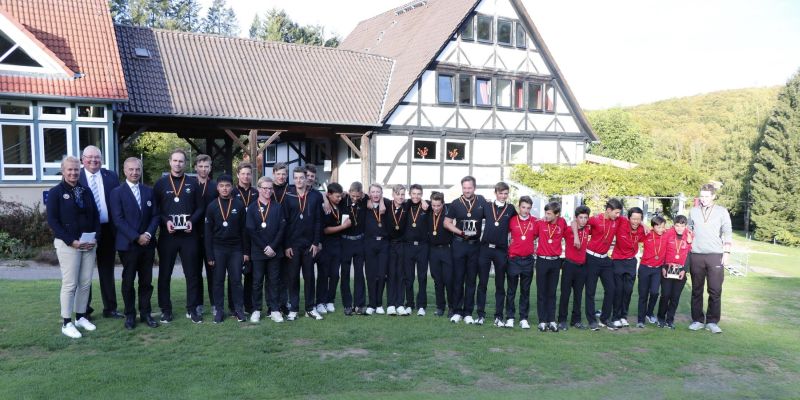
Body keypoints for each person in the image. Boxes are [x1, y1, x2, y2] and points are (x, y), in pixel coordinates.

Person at [47, 156, 100, 338]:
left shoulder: (85, 191)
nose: (73, 172)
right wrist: (72, 241)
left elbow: (95, 216)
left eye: (76, 169)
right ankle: (66, 322)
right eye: (69, 169)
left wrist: (95, 237)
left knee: (85, 283)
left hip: (88, 243)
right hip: (68, 245)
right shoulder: (55, 192)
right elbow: (53, 221)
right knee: (70, 284)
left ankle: (81, 317)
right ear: (63, 171)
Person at [154, 149, 204, 324]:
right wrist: (165, 221)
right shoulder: (160, 184)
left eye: (181, 161)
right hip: (168, 236)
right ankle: (166, 310)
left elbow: (200, 208)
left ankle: (192, 309)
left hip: (189, 236)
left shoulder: (193, 183)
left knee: (192, 274)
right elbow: (156, 210)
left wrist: (192, 221)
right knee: (164, 274)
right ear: (170, 162)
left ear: (185, 163)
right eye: (175, 160)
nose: (178, 164)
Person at [109, 157, 160, 330]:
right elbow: (118, 220)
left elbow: (155, 215)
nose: (134, 172)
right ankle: (130, 315)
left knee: (146, 281)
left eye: (137, 169)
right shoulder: (117, 192)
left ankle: (146, 313)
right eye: (131, 169)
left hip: (147, 244)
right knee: (128, 281)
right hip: (128, 245)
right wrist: (136, 237)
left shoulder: (148, 191)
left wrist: (147, 234)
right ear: (124, 171)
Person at [79, 145, 121, 319]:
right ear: (83, 159)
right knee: (85, 273)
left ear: (101, 159)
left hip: (108, 231)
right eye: (89, 157)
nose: (93, 160)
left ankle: (110, 309)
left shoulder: (111, 176)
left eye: (97, 157)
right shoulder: (76, 176)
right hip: (86, 233)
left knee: (107, 272)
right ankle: (84, 311)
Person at [688, 184, 732, 334]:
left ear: (713, 196)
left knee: (715, 290)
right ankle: (698, 320)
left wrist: (727, 253)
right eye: (702, 196)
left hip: (715, 255)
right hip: (696, 255)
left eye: (707, 196)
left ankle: (712, 321)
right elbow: (689, 230)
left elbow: (728, 231)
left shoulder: (722, 211)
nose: (704, 199)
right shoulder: (693, 211)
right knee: (696, 290)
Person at [205, 175, 249, 323]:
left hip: (236, 249)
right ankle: (219, 310)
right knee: (218, 281)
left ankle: (238, 309)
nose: (225, 188)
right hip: (218, 249)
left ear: (232, 187)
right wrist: (210, 255)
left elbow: (244, 230)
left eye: (227, 185)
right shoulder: (212, 206)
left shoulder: (239, 205)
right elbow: (208, 233)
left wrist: (245, 252)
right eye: (222, 186)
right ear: (217, 188)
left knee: (236, 280)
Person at [444, 176, 486, 324]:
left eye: (470, 188)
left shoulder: (481, 201)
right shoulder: (456, 203)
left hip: (475, 246)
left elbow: (493, 217)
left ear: (474, 188)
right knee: (458, 278)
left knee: (471, 280)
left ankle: (468, 312)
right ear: (462, 188)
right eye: (465, 188)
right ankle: (457, 311)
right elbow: (446, 223)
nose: (467, 190)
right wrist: (460, 232)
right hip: (459, 244)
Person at [283, 166, 324, 321]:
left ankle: (310, 308)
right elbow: (284, 222)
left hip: (309, 245)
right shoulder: (288, 196)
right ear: (293, 179)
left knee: (309, 277)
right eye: (296, 178)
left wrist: (316, 242)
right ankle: (293, 308)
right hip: (293, 245)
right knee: (292, 277)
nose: (299, 181)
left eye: (302, 178)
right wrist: (286, 245)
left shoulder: (315, 197)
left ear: (307, 179)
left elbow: (318, 221)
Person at [577, 198, 623, 331]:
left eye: (619, 213)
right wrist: (575, 235)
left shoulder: (617, 220)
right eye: (616, 212)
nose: (618, 215)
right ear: (608, 210)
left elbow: (632, 220)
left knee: (611, 289)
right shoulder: (595, 219)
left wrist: (643, 224)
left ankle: (604, 319)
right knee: (590, 291)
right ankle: (592, 320)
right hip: (591, 258)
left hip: (605, 260)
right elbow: (578, 222)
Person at [245, 177, 286, 323]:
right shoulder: (251, 207)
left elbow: (282, 229)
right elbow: (251, 230)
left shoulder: (278, 207)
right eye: (264, 188)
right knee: (257, 282)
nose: (267, 191)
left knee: (274, 281)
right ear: (259, 189)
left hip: (274, 251)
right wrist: (264, 247)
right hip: (258, 251)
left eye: (270, 188)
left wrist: (272, 246)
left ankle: (274, 309)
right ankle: (256, 309)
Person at [480, 182, 516, 327]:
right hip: (485, 249)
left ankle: (499, 316)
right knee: (482, 284)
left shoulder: (511, 209)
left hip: (501, 250)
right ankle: (481, 315)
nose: (503, 196)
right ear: (495, 193)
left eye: (505, 193)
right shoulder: (487, 206)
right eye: (500, 193)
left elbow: (517, 225)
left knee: (500, 285)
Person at [316, 183, 352, 315]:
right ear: (329, 195)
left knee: (335, 274)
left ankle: (330, 300)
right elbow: (325, 230)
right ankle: (320, 301)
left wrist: (344, 193)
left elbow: (348, 194)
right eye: (336, 196)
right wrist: (343, 227)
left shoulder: (341, 204)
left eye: (340, 196)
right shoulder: (324, 207)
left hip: (338, 244)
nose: (339, 199)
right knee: (324, 274)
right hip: (326, 244)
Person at [532, 201, 567, 332]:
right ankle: (542, 321)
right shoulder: (540, 223)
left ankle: (551, 320)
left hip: (556, 261)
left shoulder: (562, 222)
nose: (546, 216)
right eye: (545, 213)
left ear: (557, 214)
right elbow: (532, 236)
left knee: (552, 292)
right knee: (541, 292)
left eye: (549, 213)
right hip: (542, 261)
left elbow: (568, 232)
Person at [610, 207, 645, 328]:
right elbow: (612, 215)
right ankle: (615, 317)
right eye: (633, 218)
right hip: (618, 261)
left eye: (638, 219)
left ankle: (623, 317)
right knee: (618, 291)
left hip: (631, 263)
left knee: (628, 291)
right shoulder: (621, 222)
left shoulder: (641, 229)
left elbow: (655, 232)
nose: (636, 221)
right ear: (628, 218)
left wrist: (645, 226)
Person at [558, 205, 591, 331]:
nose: (583, 220)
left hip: (582, 267)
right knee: (565, 294)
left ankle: (576, 320)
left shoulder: (588, 228)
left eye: (585, 218)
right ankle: (562, 320)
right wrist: (575, 234)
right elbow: (571, 224)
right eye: (580, 217)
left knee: (578, 295)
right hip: (569, 266)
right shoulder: (568, 229)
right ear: (576, 218)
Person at [505, 196, 536, 329]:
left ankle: (523, 318)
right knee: (511, 290)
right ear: (519, 207)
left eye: (528, 208)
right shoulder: (511, 220)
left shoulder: (535, 221)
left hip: (528, 260)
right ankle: (510, 317)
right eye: (523, 207)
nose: (525, 210)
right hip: (513, 259)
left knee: (525, 290)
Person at [658, 215, 693, 329]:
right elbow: (662, 250)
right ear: (674, 225)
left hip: (680, 270)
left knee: (675, 297)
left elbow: (689, 255)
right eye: (677, 225)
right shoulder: (668, 234)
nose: (679, 228)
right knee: (665, 295)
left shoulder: (689, 236)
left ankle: (670, 320)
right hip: (668, 268)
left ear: (685, 226)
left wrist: (684, 270)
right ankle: (661, 318)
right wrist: (663, 266)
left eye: (682, 226)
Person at [233, 162, 258, 315]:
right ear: (238, 175)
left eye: (248, 174)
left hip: (253, 238)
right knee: (235, 275)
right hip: (236, 237)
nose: (246, 176)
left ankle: (249, 305)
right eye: (243, 173)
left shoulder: (256, 192)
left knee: (250, 274)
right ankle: (234, 306)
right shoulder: (232, 191)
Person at [194, 154, 217, 317]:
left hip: (212, 235)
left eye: (206, 166)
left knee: (213, 272)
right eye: (201, 166)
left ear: (210, 168)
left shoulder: (215, 186)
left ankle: (215, 304)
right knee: (195, 272)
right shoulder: (189, 184)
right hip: (192, 235)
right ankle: (198, 304)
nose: (203, 169)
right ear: (196, 167)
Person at [402, 184, 430, 316]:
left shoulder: (427, 206)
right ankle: (409, 304)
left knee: (422, 277)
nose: (416, 196)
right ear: (410, 194)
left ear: (422, 194)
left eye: (419, 194)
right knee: (409, 277)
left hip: (423, 246)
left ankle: (421, 306)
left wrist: (426, 202)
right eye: (413, 193)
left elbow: (440, 200)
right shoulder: (406, 205)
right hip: (408, 246)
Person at [340, 182, 368, 315]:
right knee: (344, 273)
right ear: (349, 192)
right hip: (345, 242)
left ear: (361, 193)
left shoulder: (365, 200)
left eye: (358, 196)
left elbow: (379, 197)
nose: (355, 198)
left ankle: (360, 304)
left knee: (359, 273)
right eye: (353, 196)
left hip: (360, 241)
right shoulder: (343, 199)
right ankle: (347, 304)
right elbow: (326, 195)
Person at [363, 183, 389, 315]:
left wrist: (383, 201)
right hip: (369, 243)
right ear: (369, 194)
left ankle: (379, 304)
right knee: (371, 275)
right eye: (373, 192)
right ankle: (371, 304)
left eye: (378, 192)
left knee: (381, 274)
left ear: (382, 193)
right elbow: (346, 194)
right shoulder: (364, 204)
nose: (375, 194)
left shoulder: (387, 204)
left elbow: (402, 201)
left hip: (384, 244)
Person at [637, 215, 667, 328]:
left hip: (657, 269)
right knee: (643, 295)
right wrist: (643, 224)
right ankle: (640, 320)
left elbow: (681, 229)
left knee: (655, 292)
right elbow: (634, 225)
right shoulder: (647, 233)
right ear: (653, 227)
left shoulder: (667, 234)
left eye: (663, 227)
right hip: (645, 268)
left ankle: (649, 313)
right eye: (658, 227)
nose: (661, 230)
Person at [427, 192, 453, 317]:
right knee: (438, 280)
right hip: (433, 251)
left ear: (443, 203)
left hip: (446, 250)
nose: (436, 208)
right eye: (433, 205)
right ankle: (440, 307)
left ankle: (452, 307)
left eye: (438, 205)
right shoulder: (428, 211)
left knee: (449, 280)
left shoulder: (448, 213)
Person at [385, 184, 407, 316]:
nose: (400, 197)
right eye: (398, 194)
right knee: (391, 274)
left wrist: (422, 200)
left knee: (401, 275)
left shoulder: (408, 206)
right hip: (389, 245)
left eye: (403, 194)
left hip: (402, 245)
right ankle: (391, 304)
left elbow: (423, 201)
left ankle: (400, 304)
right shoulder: (386, 205)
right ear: (393, 194)